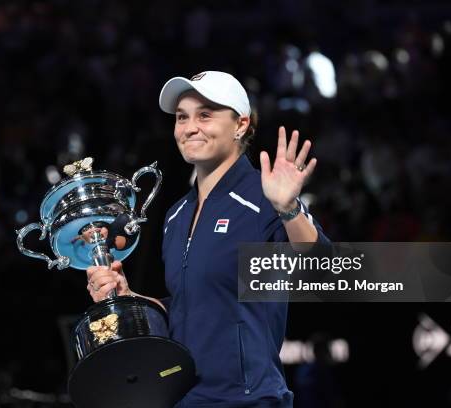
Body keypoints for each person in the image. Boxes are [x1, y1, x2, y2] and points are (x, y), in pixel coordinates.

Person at [86, 71, 330, 407]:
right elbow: (188, 307)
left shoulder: (264, 198)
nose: (189, 127)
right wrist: (131, 298)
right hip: (183, 398)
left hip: (248, 401)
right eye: (181, 117)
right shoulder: (175, 215)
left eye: (205, 115)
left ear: (240, 125)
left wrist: (288, 209)